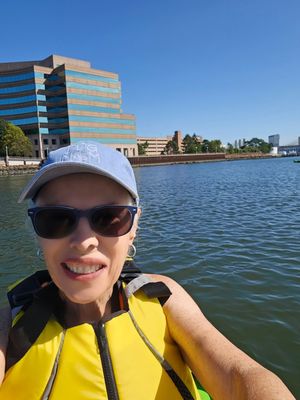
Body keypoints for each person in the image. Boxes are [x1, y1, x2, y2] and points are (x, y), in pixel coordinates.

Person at [0, 141, 295, 400]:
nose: (84, 241)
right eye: (55, 219)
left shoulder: (161, 296)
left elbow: (238, 375)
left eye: (109, 218)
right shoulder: (9, 324)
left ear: (134, 228)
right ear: (37, 231)